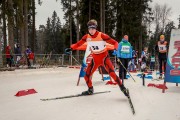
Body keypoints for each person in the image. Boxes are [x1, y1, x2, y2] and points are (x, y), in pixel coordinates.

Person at [66, 19, 129, 97]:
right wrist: (71, 48)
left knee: (112, 73)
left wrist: (116, 48)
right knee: (87, 76)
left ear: (96, 28)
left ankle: (123, 88)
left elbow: (115, 42)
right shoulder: (87, 37)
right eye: (90, 29)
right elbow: (78, 44)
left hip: (104, 58)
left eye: (93, 29)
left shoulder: (101, 35)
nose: (91, 31)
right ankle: (90, 89)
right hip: (95, 59)